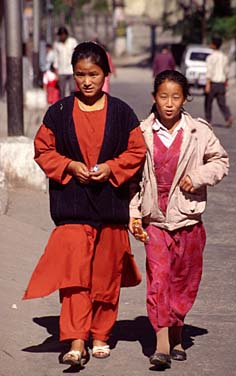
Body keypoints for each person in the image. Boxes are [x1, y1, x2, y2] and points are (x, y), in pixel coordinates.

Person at [23, 41, 146, 367]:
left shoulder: (121, 113)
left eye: (93, 74)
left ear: (105, 74)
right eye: (80, 75)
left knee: (106, 278)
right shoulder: (59, 112)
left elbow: (137, 150)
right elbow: (43, 149)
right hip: (73, 209)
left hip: (110, 209)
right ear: (73, 75)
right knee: (74, 279)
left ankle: (101, 334)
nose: (87, 81)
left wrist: (111, 169)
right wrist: (68, 166)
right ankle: (76, 341)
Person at [129, 70, 229, 370]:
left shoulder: (199, 132)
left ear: (185, 98)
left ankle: (177, 333)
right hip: (155, 219)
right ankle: (161, 344)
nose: (169, 104)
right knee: (159, 279)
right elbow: (133, 179)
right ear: (154, 99)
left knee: (184, 281)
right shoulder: (142, 132)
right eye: (163, 97)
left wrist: (198, 177)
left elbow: (220, 161)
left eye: (175, 97)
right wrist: (134, 214)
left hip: (188, 218)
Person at [205, 36, 233, 127]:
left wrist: (207, 84)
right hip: (221, 83)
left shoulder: (210, 57)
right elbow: (227, 71)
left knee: (208, 102)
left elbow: (209, 71)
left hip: (213, 83)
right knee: (222, 103)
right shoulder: (224, 57)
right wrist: (226, 81)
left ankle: (208, 120)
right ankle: (228, 117)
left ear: (213, 45)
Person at [53, 26, 78, 98]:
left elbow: (77, 55)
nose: (62, 36)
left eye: (63, 34)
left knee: (72, 89)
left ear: (66, 34)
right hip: (61, 71)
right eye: (61, 35)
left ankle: (72, 105)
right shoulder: (57, 44)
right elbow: (56, 58)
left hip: (72, 70)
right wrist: (56, 72)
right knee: (62, 90)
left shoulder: (72, 42)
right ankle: (63, 107)